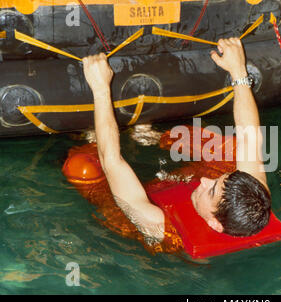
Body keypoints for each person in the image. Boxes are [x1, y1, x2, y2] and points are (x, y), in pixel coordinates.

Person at [81, 37, 271, 246]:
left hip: (140, 201)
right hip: (179, 184)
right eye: (217, 181)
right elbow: (249, 134)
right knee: (233, 149)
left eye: (212, 190)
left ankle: (86, 139)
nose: (206, 181)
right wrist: (238, 71)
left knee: (81, 167)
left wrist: (100, 88)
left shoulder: (159, 226)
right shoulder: (254, 198)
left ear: (214, 224)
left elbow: (111, 161)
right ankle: (154, 137)